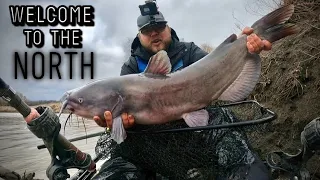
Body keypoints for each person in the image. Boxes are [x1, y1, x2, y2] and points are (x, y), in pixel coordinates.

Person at [91, 7, 273, 180]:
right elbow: (121, 119)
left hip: (197, 135)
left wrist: (243, 46)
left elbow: (219, 62)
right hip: (154, 142)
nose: (154, 33)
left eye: (159, 27)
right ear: (139, 36)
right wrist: (119, 124)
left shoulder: (190, 51)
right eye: (147, 30)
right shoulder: (130, 68)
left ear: (168, 28)